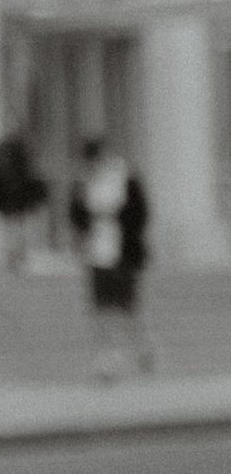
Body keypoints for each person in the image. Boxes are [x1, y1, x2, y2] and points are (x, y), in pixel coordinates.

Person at [70, 131, 154, 380]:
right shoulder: (85, 183)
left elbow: (140, 213)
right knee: (101, 309)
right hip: (97, 253)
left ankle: (141, 346)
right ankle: (107, 361)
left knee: (127, 308)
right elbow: (76, 216)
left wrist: (113, 217)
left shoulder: (125, 177)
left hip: (123, 253)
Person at [0, 124, 50, 274]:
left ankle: (14, 259)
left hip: (11, 201)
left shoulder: (5, 153)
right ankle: (15, 259)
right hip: (14, 201)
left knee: (13, 231)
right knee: (15, 231)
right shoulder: (14, 153)